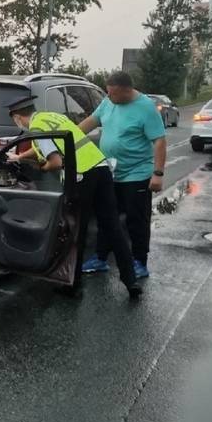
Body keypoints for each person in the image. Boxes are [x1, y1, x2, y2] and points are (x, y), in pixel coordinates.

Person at [5, 96, 141, 299]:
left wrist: (41, 167)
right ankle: (131, 282)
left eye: (14, 121)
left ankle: (72, 285)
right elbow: (48, 145)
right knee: (112, 226)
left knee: (76, 230)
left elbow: (56, 162)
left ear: (17, 118)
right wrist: (20, 157)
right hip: (101, 168)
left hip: (81, 175)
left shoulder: (36, 129)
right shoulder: (52, 117)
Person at [78, 71, 166, 279]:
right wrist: (67, 135)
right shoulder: (109, 102)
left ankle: (139, 261)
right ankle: (100, 258)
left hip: (137, 173)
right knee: (106, 216)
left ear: (128, 91)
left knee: (136, 219)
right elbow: (90, 121)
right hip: (109, 171)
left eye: (114, 94)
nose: (110, 97)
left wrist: (158, 173)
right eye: (108, 93)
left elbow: (160, 141)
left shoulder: (145, 108)